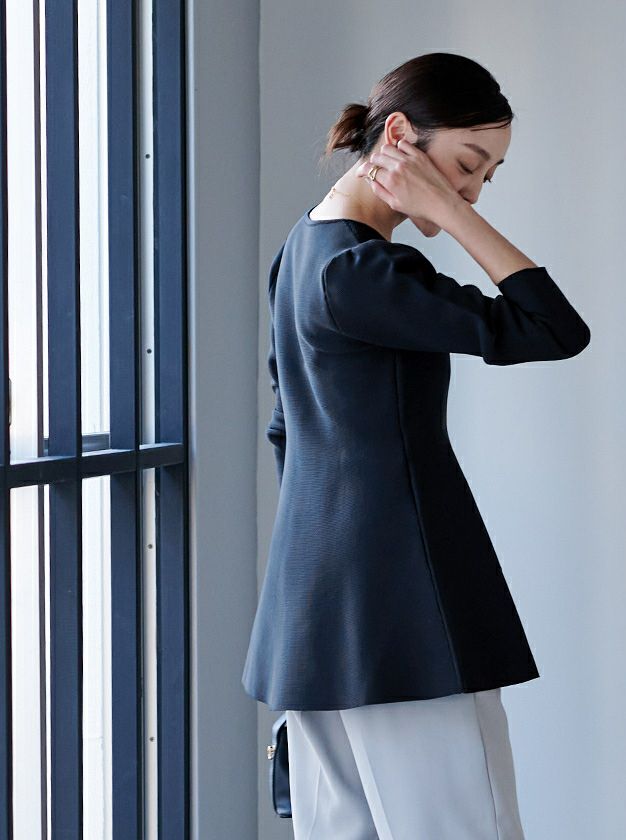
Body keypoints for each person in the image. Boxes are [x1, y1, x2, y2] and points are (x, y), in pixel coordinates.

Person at [242, 51, 590, 839]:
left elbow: (286, 433)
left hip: (316, 620)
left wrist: (325, 581)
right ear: (399, 135)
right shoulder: (363, 271)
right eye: (467, 165)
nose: (472, 191)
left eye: (487, 178)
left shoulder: (303, 251)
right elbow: (552, 329)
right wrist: (456, 219)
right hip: (406, 613)